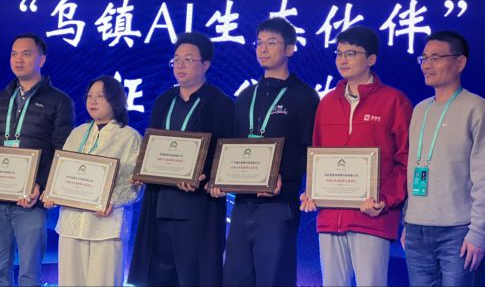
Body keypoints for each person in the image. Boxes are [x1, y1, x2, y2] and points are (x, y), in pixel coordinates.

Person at [300, 26, 412, 286]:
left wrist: (385, 199)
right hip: (330, 217)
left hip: (372, 215)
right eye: (339, 53)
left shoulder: (394, 101)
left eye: (351, 53)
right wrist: (312, 190)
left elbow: (405, 160)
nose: (343, 60)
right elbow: (318, 155)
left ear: (371, 59)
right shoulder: (327, 103)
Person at [0, 34, 75, 287]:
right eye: (14, 54)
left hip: (30, 201)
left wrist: (41, 185)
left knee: (29, 275)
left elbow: (61, 150)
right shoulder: (1, 98)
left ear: (42, 59)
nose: (18, 59)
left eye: (26, 54)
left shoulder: (59, 101)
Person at [218, 17, 319, 287]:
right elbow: (234, 146)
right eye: (259, 43)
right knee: (235, 278)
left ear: (290, 49)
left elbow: (311, 150)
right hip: (242, 204)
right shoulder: (245, 96)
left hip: (279, 205)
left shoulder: (305, 96)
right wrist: (221, 178)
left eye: (272, 42)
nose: (263, 49)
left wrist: (286, 177)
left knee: (274, 278)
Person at [128, 32, 234, 287]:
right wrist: (143, 170)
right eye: (176, 59)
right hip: (160, 203)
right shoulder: (164, 101)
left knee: (193, 276)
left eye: (188, 59)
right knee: (158, 276)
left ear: (205, 65)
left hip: (197, 206)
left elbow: (226, 153)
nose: (180, 65)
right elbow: (153, 145)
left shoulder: (221, 104)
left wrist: (207, 177)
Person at [403, 30, 485, 286]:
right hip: (416, 230)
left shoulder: (478, 109)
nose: (426, 65)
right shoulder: (420, 110)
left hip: (458, 231)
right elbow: (414, 169)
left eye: (436, 58)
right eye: (424, 58)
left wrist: (478, 233)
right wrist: (407, 220)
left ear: (460, 62)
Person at [43, 75, 141, 286]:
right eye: (89, 96)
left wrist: (111, 201)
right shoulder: (77, 133)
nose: (93, 101)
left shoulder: (129, 137)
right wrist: (52, 192)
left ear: (115, 100)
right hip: (72, 222)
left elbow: (134, 184)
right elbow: (62, 171)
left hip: (106, 224)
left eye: (100, 96)